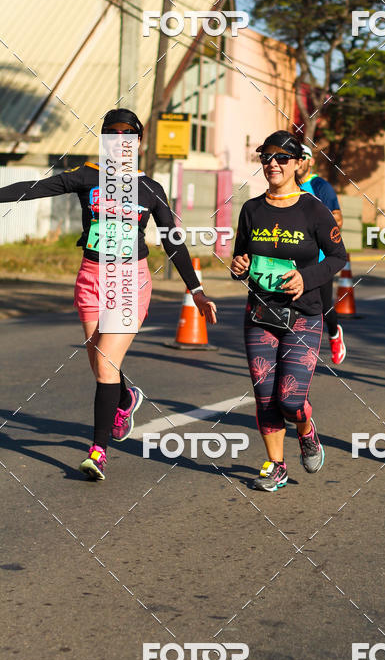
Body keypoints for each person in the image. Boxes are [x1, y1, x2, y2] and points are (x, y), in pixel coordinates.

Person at [0, 109, 217, 481]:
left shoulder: (150, 189)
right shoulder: (88, 176)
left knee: (103, 364)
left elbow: (173, 241)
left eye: (128, 134)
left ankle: (97, 452)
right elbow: (35, 188)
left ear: (138, 141)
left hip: (130, 281)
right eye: (112, 133)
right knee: (99, 358)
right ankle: (125, 398)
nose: (120, 140)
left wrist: (195, 289)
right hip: (90, 276)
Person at [231, 130, 347, 492]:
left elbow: (340, 258)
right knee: (265, 396)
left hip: (304, 314)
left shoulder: (314, 208)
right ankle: (276, 465)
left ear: (299, 164)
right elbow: (241, 259)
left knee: (291, 400)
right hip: (260, 315)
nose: (273, 164)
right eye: (267, 157)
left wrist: (305, 277)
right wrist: (237, 267)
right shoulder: (251, 209)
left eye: (282, 158)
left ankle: (305, 427)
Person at [297, 144, 347, 364]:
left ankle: (335, 334)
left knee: (324, 307)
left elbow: (338, 219)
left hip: (320, 259)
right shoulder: (287, 186)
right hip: (293, 258)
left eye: (302, 158)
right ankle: (300, 351)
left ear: (310, 161)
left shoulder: (320, 186)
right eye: (294, 158)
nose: (298, 162)